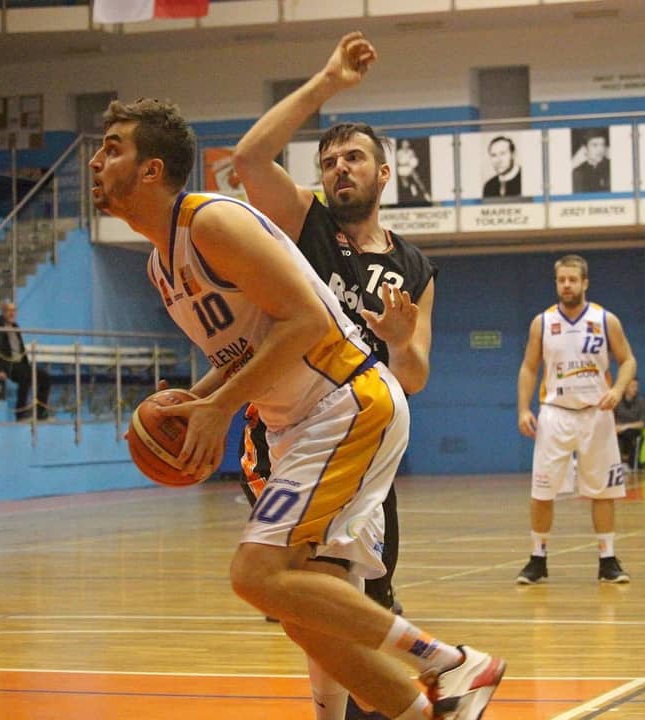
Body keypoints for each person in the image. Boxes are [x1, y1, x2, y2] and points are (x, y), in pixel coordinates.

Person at [90, 96, 503, 720]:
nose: (96, 161)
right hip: (299, 424)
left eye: (112, 148)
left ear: (151, 170)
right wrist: (196, 400)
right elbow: (249, 348)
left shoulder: (210, 223)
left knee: (256, 574)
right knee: (306, 608)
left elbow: (307, 322)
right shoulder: (160, 265)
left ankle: (449, 664)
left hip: (346, 404)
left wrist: (221, 407)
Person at [233, 32, 438, 720]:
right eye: (328, 161)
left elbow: (415, 377)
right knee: (312, 597)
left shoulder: (414, 266)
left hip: (366, 437)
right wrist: (326, 83)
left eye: (353, 158)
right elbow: (249, 160)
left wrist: (401, 342)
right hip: (291, 432)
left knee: (352, 604)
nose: (339, 168)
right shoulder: (306, 222)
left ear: (384, 174)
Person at [515, 254, 637, 585]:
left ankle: (608, 560)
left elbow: (628, 360)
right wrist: (524, 408)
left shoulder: (605, 320)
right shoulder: (542, 322)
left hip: (597, 413)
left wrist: (618, 390)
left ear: (585, 283)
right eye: (561, 280)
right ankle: (537, 559)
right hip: (555, 413)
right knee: (542, 491)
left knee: (603, 491)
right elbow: (529, 367)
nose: (566, 285)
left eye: (572, 279)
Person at [0, 301, 51, 421]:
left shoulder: (15, 327)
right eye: (9, 310)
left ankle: (41, 411)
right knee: (25, 376)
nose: (12, 313)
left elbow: (20, 349)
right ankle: (20, 412)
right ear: (3, 312)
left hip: (20, 364)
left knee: (45, 377)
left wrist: (27, 364)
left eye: (14, 310)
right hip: (8, 365)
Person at [614, 377, 645, 469]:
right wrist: (615, 427)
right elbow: (613, 418)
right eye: (633, 386)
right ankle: (615, 464)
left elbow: (642, 423)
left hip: (633, 431)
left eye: (636, 386)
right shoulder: (618, 401)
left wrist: (625, 426)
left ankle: (630, 463)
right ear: (625, 387)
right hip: (619, 430)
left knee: (629, 434)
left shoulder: (641, 401)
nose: (635, 389)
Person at [571, 128, 610, 193]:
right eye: (595, 145)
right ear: (585, 149)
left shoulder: (612, 167)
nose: (600, 149)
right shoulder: (578, 172)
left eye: (602, 145)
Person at [395, 138, 431, 205]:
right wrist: (405, 163)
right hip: (402, 170)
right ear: (402, 145)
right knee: (405, 185)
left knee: (418, 180)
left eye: (407, 144)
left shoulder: (411, 152)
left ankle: (425, 193)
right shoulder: (398, 152)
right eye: (404, 144)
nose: (405, 145)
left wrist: (412, 164)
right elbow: (397, 163)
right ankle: (412, 185)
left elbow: (414, 160)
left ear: (408, 145)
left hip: (410, 169)